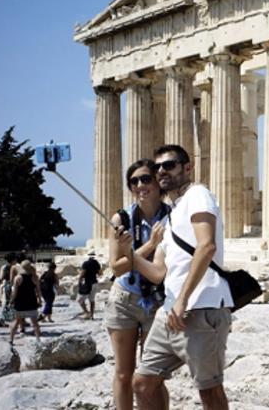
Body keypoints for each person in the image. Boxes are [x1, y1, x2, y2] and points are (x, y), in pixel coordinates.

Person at [129, 144, 233, 410]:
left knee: (209, 392)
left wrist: (183, 299)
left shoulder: (198, 195)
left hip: (200, 308)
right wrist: (128, 254)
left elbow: (206, 246)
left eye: (170, 165)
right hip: (171, 311)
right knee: (142, 382)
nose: (161, 171)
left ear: (187, 168)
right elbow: (159, 273)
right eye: (157, 167)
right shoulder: (173, 213)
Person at [106, 159, 171, 410]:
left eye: (146, 179)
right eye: (134, 181)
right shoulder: (120, 218)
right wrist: (150, 245)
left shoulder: (172, 216)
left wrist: (132, 254)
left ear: (157, 182)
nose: (140, 185)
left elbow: (160, 270)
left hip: (158, 301)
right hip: (124, 300)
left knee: (154, 376)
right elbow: (116, 266)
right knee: (123, 374)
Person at [9, 260, 42, 345]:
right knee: (35, 322)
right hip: (31, 301)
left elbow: (14, 292)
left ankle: (11, 340)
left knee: (16, 322)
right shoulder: (35, 277)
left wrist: (11, 301)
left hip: (20, 302)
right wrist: (40, 300)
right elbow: (38, 291)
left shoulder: (18, 278)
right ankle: (38, 339)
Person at [78, 251, 102, 320]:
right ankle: (92, 315)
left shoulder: (86, 263)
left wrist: (79, 282)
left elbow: (82, 274)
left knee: (80, 300)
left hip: (88, 283)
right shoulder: (96, 263)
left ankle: (86, 312)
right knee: (92, 300)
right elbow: (100, 273)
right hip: (95, 283)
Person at [0, 253, 19, 328]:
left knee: (8, 303)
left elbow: (1, 278)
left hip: (6, 285)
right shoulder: (15, 267)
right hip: (14, 286)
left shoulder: (4, 267)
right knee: (13, 303)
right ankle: (3, 319)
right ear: (13, 260)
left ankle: (4, 320)